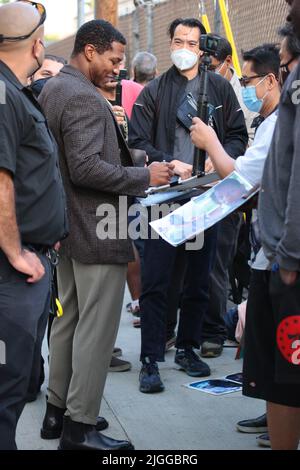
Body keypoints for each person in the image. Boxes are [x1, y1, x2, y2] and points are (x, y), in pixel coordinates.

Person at [39, 19, 173, 451]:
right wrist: (145, 174)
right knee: (95, 333)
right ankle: (79, 428)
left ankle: (56, 414)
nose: (118, 67)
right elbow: (86, 168)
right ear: (91, 51)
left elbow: (79, 161)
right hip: (96, 230)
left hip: (72, 229)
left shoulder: (58, 87)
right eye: (114, 59)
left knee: (67, 324)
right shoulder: (81, 97)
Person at [129, 17, 248, 393]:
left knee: (199, 280)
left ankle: (188, 347)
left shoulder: (219, 88)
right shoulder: (154, 91)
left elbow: (237, 136)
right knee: (156, 283)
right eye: (178, 40)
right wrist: (168, 162)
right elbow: (137, 142)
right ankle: (150, 358)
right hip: (164, 200)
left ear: (202, 48)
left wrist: (219, 154)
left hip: (205, 200)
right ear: (170, 43)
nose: (184, 48)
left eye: (192, 42)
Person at [0, 1, 68, 450]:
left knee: (14, 384)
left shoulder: (12, 90)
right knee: (6, 389)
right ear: (36, 43)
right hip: (14, 272)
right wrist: (14, 250)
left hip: (27, 266)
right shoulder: (3, 95)